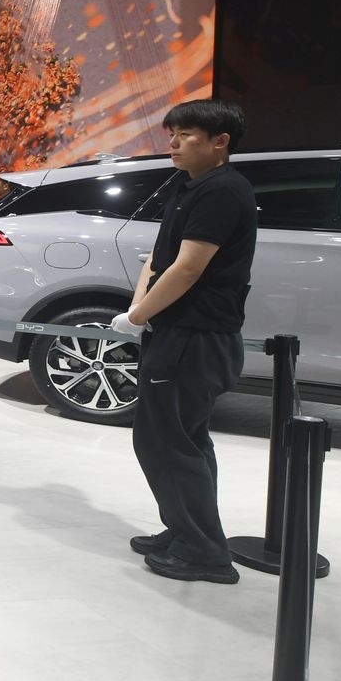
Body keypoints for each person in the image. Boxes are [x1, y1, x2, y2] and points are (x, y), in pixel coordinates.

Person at [111, 100, 257, 584]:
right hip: (175, 332)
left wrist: (138, 316)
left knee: (171, 443)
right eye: (171, 133)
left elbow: (189, 268)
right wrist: (140, 311)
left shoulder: (222, 191)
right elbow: (159, 259)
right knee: (174, 440)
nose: (173, 143)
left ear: (220, 142)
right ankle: (185, 530)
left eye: (186, 134)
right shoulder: (189, 184)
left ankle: (203, 552)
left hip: (196, 337)